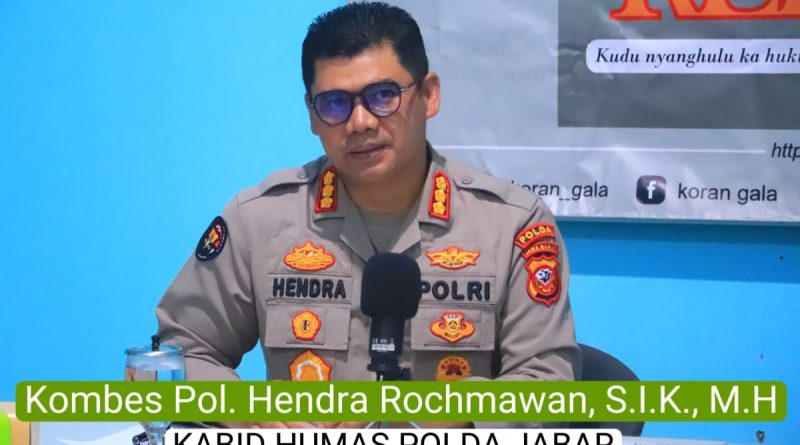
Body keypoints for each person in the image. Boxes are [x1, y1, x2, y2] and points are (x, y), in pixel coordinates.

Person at [157, 1, 580, 429]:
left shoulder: (510, 224)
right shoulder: (259, 221)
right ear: (312, 115)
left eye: (383, 96)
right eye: (334, 103)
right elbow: (178, 357)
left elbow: (548, 382)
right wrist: (254, 414)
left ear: (429, 95)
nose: (359, 122)